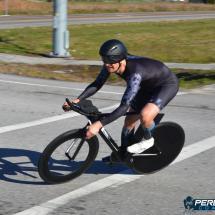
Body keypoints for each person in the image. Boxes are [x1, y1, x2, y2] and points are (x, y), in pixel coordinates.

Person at [63, 39, 179, 154]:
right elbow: (97, 83)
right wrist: (76, 101)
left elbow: (124, 106)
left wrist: (98, 125)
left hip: (167, 85)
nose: (106, 63)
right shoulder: (112, 65)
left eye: (110, 60)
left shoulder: (135, 74)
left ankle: (148, 141)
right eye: (104, 59)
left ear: (121, 59)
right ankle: (123, 153)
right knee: (129, 120)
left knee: (145, 115)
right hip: (148, 86)